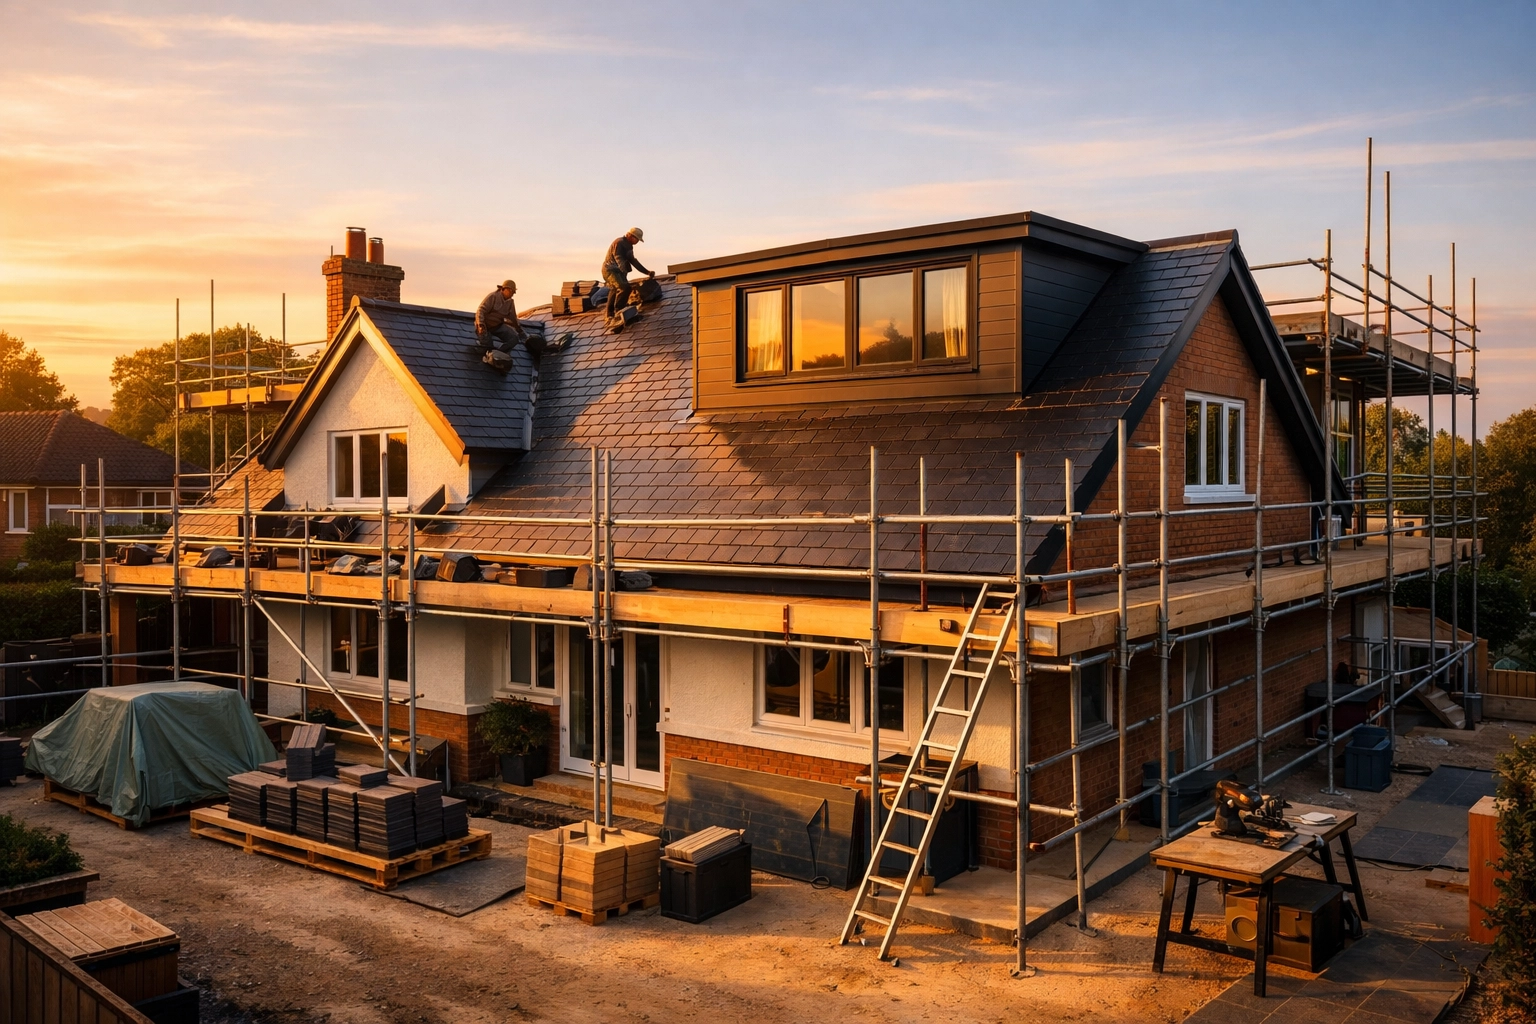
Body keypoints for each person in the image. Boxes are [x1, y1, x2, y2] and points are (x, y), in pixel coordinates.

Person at [475, 280, 541, 369]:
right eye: (511, 291)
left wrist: (519, 330)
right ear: (505, 289)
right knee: (487, 346)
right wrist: (481, 324)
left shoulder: (510, 302)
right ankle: (488, 353)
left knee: (514, 338)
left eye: (513, 292)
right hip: (485, 327)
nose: (512, 294)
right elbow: (481, 310)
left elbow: (513, 318)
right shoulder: (493, 297)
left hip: (498, 326)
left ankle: (498, 354)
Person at [602, 228, 653, 319]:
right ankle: (618, 311)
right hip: (610, 270)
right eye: (636, 239)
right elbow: (620, 261)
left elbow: (633, 261)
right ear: (630, 236)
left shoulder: (629, 246)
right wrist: (624, 274)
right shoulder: (619, 243)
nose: (637, 242)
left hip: (617, 271)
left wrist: (647, 272)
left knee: (615, 289)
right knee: (624, 288)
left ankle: (610, 314)